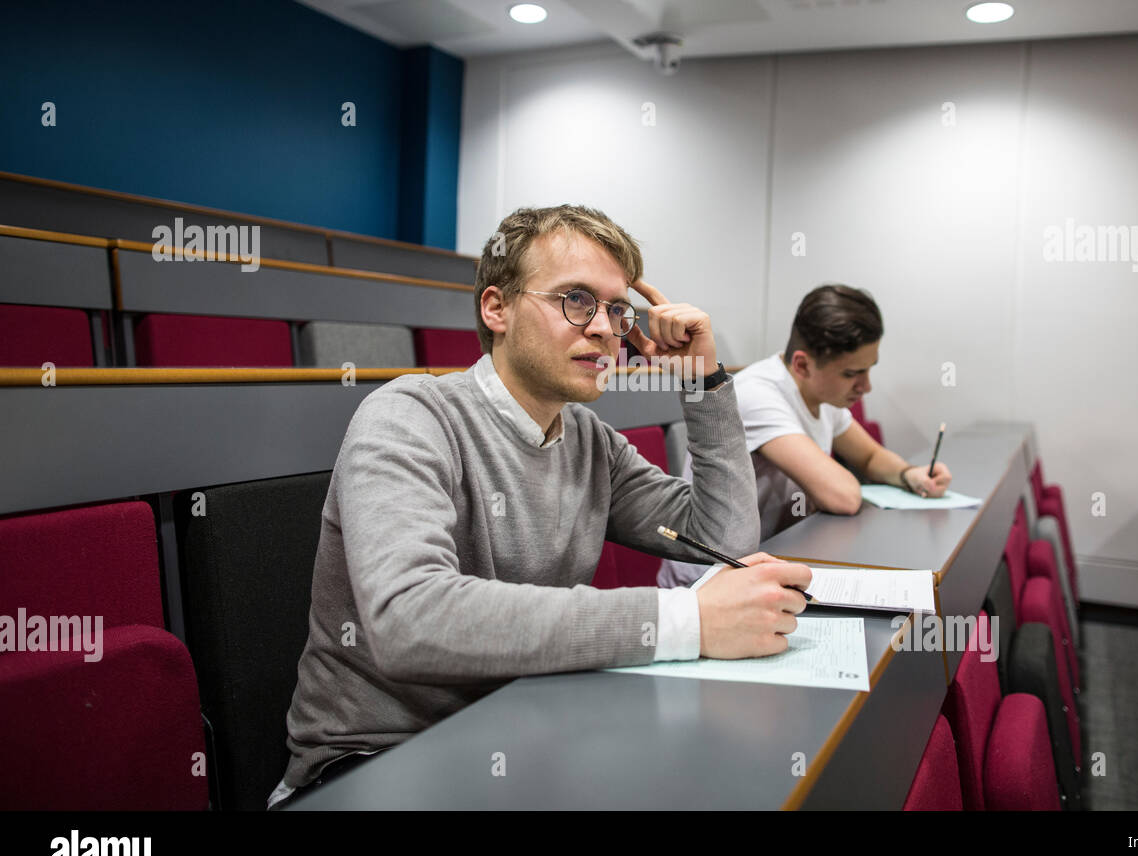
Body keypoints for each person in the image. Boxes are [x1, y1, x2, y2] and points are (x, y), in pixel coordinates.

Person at [268, 205, 809, 808]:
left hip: (522, 732)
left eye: (617, 309)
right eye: (577, 300)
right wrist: (688, 620)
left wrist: (701, 379)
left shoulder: (588, 440)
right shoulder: (408, 416)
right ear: (496, 308)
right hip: (375, 763)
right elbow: (409, 619)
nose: (606, 328)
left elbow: (724, 541)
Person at [658, 284, 953, 588]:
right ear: (802, 364)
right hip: (706, 581)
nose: (866, 386)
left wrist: (910, 474)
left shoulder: (824, 395)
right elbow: (843, 497)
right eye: (852, 374)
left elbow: (870, 456)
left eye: (868, 370)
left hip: (770, 558)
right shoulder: (756, 395)